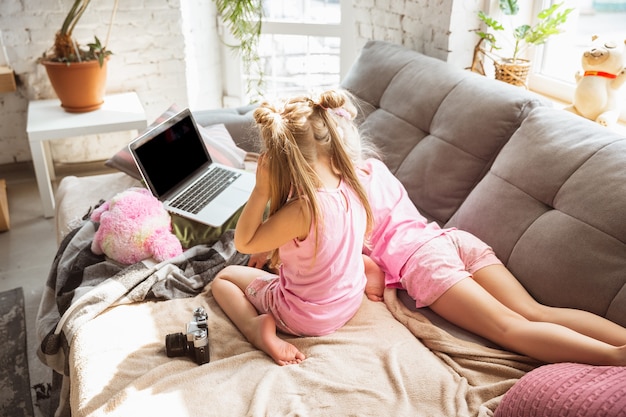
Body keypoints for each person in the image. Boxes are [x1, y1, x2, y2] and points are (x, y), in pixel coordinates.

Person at [331, 105, 626, 366]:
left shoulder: (332, 199)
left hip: (423, 262)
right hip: (453, 240)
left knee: (508, 328)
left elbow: (336, 254)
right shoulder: (374, 168)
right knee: (536, 312)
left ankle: (615, 358)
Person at [211, 90, 373, 366]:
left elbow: (244, 242)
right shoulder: (353, 180)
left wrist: (261, 190)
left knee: (224, 278)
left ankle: (256, 330)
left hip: (305, 317)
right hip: (348, 301)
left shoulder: (303, 209)